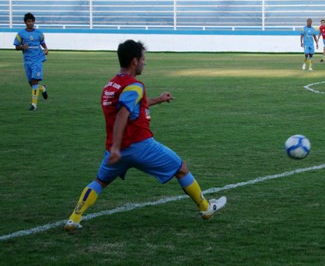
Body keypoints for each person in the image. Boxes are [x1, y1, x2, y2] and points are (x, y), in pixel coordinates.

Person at [64, 39, 226, 231]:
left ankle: (74, 219)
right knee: (181, 168)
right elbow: (124, 111)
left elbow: (132, 104)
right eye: (143, 59)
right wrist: (116, 146)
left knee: (100, 181)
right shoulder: (135, 85)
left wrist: (159, 99)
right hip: (140, 146)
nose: (144, 62)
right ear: (134, 61)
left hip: (116, 151)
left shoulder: (111, 85)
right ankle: (206, 208)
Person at [13, 13, 49, 111]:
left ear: (34, 22)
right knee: (32, 83)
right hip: (27, 60)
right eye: (28, 21)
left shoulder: (39, 33)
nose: (30, 23)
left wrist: (46, 49)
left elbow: (42, 43)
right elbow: (16, 47)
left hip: (37, 59)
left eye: (32, 21)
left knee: (34, 81)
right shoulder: (20, 34)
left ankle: (34, 105)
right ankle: (43, 88)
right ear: (25, 22)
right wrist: (21, 47)